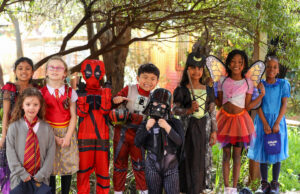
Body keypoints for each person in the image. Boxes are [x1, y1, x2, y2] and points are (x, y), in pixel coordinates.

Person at [215, 50, 265, 194]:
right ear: (228, 63)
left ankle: (234, 188)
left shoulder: (248, 82)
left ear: (244, 65)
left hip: (240, 123)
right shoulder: (222, 80)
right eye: (233, 61)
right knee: (226, 154)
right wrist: (210, 92)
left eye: (240, 62)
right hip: (224, 120)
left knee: (237, 155)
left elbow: (248, 106)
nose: (236, 64)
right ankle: (226, 188)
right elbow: (219, 103)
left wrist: (261, 95)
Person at [173, 52, 217, 194]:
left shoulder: (209, 89)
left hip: (203, 129)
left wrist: (214, 131)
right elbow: (175, 110)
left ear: (203, 69)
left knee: (202, 160)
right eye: (193, 68)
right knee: (188, 160)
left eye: (200, 68)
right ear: (188, 69)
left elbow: (212, 111)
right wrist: (188, 110)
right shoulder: (181, 90)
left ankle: (200, 189)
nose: (196, 71)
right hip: (187, 131)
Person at [112, 63, 160, 194]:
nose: (148, 81)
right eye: (145, 77)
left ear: (157, 81)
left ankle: (143, 191)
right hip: (122, 131)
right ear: (138, 78)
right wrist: (116, 100)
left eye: (152, 78)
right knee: (119, 164)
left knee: (140, 165)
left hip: (139, 133)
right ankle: (118, 191)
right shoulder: (129, 89)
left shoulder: (154, 97)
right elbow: (115, 101)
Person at [247, 56, 290, 194]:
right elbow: (258, 105)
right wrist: (265, 123)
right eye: (269, 66)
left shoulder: (283, 84)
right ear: (265, 68)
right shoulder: (260, 85)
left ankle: (275, 183)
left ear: (278, 70)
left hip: (277, 122)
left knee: (276, 148)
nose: (271, 69)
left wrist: (277, 122)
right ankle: (264, 183)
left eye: (274, 67)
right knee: (263, 149)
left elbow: (284, 104)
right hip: (262, 121)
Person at [40, 56, 79, 194]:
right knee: (51, 168)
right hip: (48, 133)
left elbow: (73, 115)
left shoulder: (71, 92)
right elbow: (41, 118)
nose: (55, 70)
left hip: (67, 131)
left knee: (66, 167)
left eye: (59, 68)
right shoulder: (41, 93)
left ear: (65, 73)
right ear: (46, 72)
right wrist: (53, 137)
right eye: (52, 67)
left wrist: (68, 136)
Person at [135, 88, 184, 194]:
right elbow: (137, 142)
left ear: (167, 106)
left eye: (162, 104)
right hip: (152, 164)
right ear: (151, 103)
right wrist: (147, 128)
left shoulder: (174, 122)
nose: (158, 106)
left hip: (171, 165)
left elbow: (179, 142)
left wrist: (167, 127)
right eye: (156, 102)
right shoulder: (146, 123)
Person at [6, 87, 55, 191]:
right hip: (19, 180)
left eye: (35, 105)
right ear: (22, 106)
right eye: (28, 104)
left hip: (40, 181)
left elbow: (51, 154)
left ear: (40, 106)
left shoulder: (47, 129)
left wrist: (41, 175)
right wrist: (22, 173)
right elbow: (10, 153)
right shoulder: (13, 128)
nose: (31, 108)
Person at [0, 57, 35, 194]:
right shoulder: (9, 88)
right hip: (13, 134)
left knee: (28, 168)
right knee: (11, 168)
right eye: (20, 68)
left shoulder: (36, 89)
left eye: (27, 68)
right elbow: (6, 114)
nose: (24, 71)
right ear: (15, 71)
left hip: (31, 134)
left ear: (32, 72)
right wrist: (3, 136)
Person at [76, 59, 112, 194]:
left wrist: (107, 91)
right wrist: (82, 95)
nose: (93, 75)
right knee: (83, 173)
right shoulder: (80, 91)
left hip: (102, 137)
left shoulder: (104, 91)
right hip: (85, 137)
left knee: (103, 174)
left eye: (97, 72)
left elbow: (105, 110)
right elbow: (82, 112)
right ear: (84, 73)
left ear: (101, 73)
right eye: (89, 72)